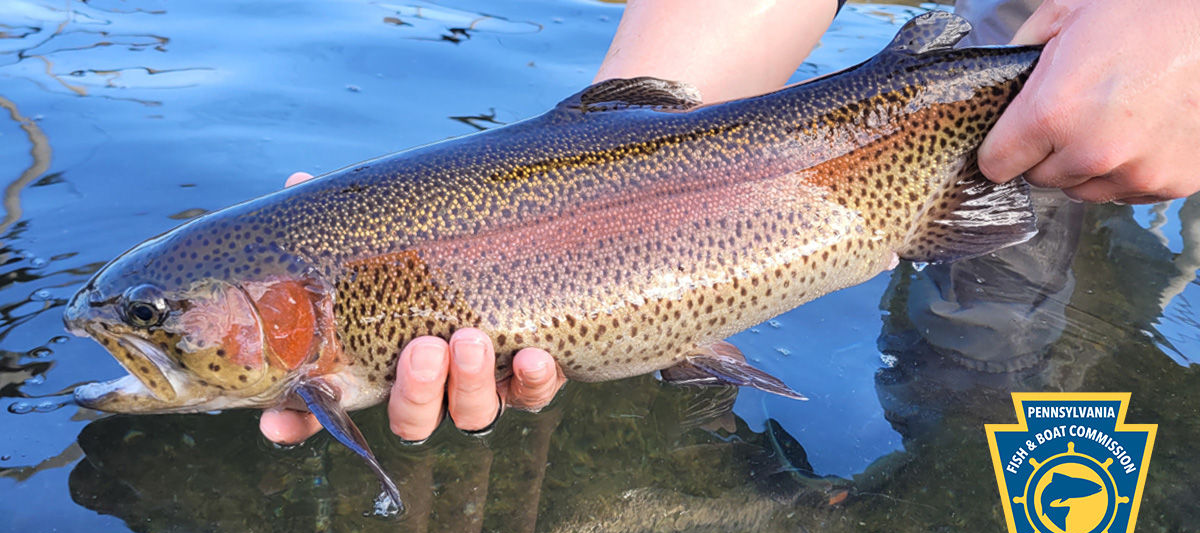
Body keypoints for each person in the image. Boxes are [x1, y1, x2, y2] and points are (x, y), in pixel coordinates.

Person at [259, 0, 1200, 446]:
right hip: (1024, 45)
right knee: (981, 387)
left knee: (1018, 371)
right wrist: (584, 180)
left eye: (151, 319)